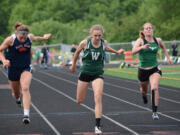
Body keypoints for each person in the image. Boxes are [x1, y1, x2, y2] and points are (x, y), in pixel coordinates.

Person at [69, 24, 124, 134]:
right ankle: (96, 123)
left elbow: (106, 48)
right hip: (85, 72)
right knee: (79, 100)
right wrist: (73, 65)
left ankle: (97, 126)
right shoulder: (85, 43)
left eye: (99, 35)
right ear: (91, 35)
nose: (98, 38)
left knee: (98, 96)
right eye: (95, 36)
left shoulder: (103, 43)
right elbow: (76, 53)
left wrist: (117, 52)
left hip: (97, 73)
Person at [0, 23, 51, 124]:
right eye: (21, 37)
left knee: (25, 88)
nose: (23, 39)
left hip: (25, 67)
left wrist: (44, 38)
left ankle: (26, 115)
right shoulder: (10, 40)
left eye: (25, 37)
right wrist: (4, 60)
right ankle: (18, 98)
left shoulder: (30, 37)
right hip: (13, 68)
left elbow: (36, 38)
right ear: (17, 34)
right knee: (16, 93)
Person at [132, 22, 172, 120]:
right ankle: (144, 95)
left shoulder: (157, 40)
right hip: (143, 70)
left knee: (154, 87)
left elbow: (163, 47)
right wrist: (142, 47)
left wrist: (168, 58)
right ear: (143, 31)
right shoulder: (140, 40)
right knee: (144, 90)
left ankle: (154, 112)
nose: (149, 29)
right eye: (146, 28)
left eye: (150, 28)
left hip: (154, 68)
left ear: (152, 30)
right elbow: (133, 52)